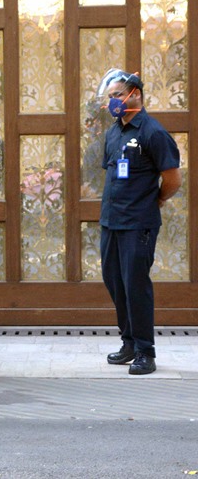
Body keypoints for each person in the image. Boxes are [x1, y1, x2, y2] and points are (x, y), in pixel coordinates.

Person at [96, 69, 181, 375]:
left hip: (138, 224)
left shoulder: (153, 132)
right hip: (111, 222)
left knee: (136, 286)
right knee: (115, 282)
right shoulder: (114, 131)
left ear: (135, 95)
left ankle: (146, 351)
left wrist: (155, 200)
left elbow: (172, 179)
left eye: (116, 95)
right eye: (110, 98)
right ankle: (129, 342)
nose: (112, 102)